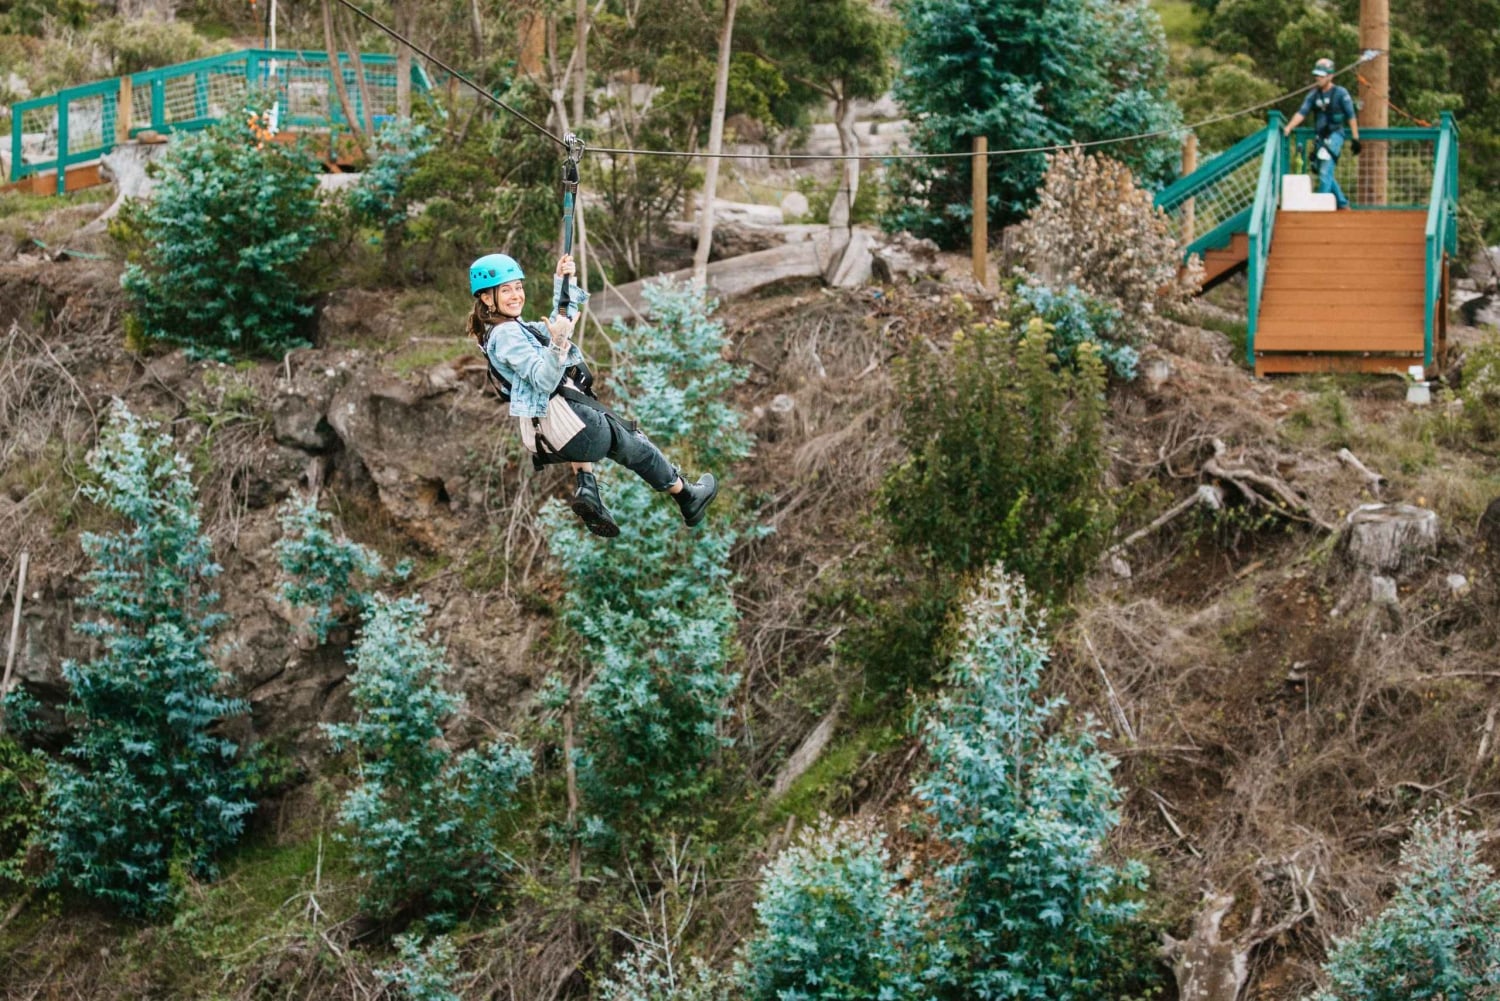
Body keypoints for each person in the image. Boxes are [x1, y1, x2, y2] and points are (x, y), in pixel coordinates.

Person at [466, 251, 718, 539]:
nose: (516, 295)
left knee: (585, 407)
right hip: (575, 427)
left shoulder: (508, 329)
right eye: (506, 290)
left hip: (553, 437)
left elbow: (559, 323)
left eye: (518, 287)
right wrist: (559, 341)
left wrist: (564, 281)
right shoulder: (507, 335)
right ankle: (688, 496)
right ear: (487, 298)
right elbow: (545, 378)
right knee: (637, 446)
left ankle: (588, 490)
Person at [1282, 57, 1362, 209]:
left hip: (1335, 135)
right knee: (1322, 170)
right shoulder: (1314, 95)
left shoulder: (1340, 93)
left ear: (1330, 76)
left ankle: (1320, 208)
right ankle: (1343, 203)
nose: (1318, 78)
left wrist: (1356, 138)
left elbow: (1351, 116)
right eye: (1316, 75)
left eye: (1321, 75)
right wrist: (1289, 127)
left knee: (1325, 170)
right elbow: (1302, 112)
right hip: (1320, 138)